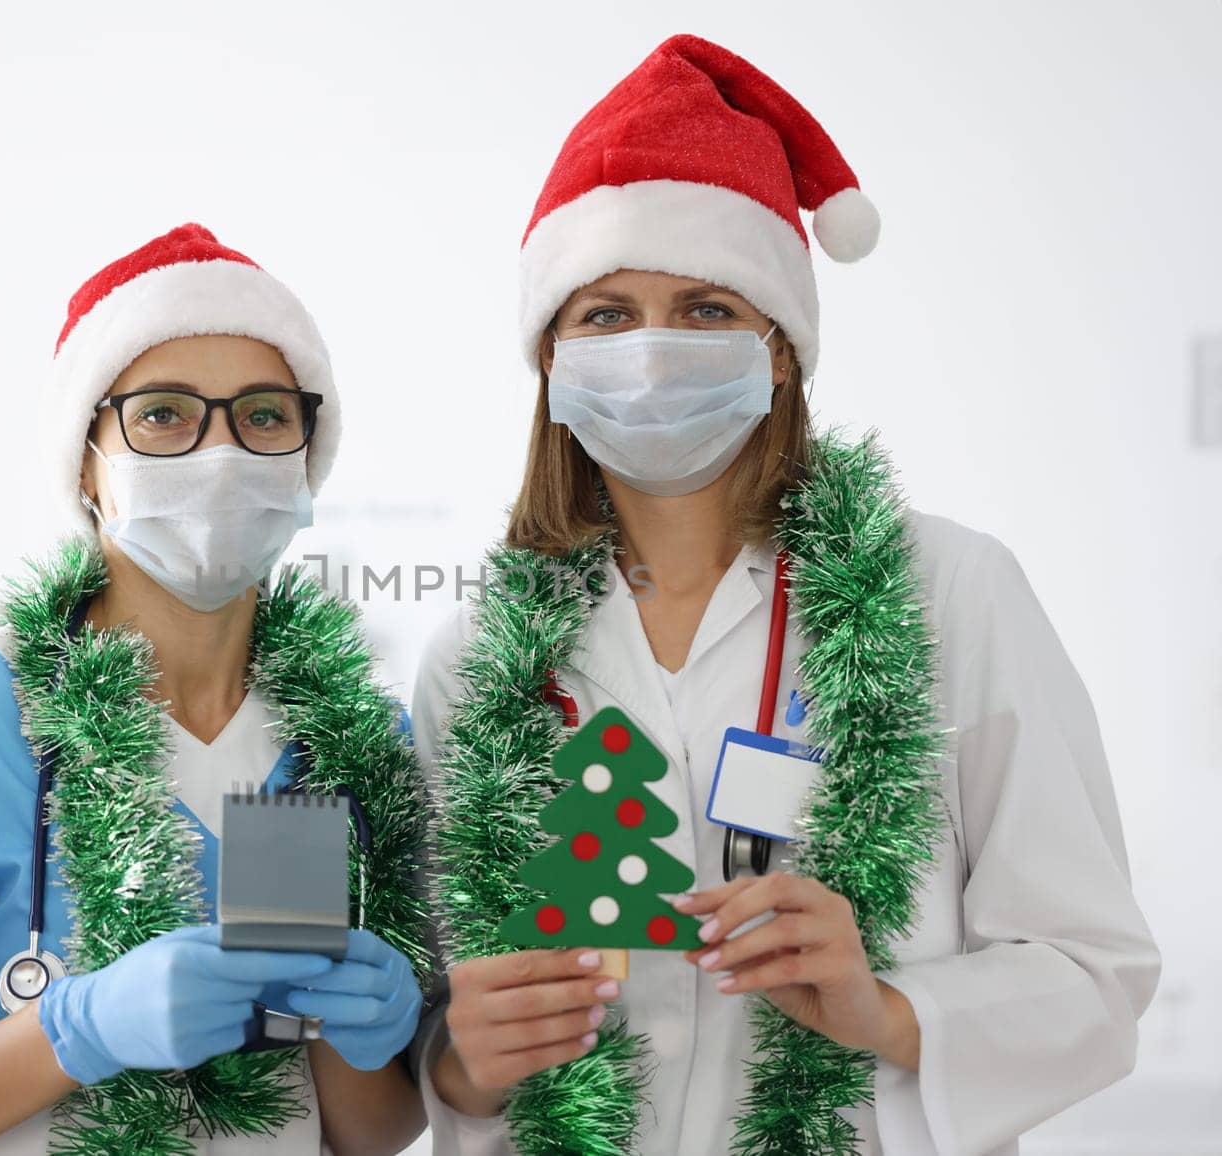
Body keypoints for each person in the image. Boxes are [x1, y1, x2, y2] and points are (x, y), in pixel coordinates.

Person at [408, 35, 1162, 1156]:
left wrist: (891, 1010)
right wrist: (463, 1064)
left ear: (779, 351)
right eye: (606, 313)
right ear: (552, 359)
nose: (653, 351)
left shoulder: (951, 594)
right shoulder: (476, 652)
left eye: (706, 307)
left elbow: (1094, 973)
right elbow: (435, 1027)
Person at [0, 223, 431, 1156]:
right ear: (88, 459)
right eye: (163, 413)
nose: (220, 452)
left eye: (264, 415)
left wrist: (361, 1033)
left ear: (307, 457)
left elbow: (366, 1135)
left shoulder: (362, 737)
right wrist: (78, 1028)